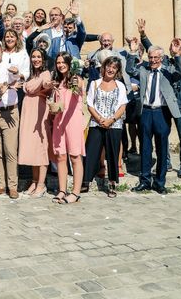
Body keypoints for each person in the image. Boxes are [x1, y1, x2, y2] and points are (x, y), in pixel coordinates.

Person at [138, 21, 181, 178]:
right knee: (163, 134)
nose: (173, 47)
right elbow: (152, 50)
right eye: (172, 45)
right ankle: (167, 162)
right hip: (165, 104)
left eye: (177, 45)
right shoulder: (165, 61)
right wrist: (143, 35)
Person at [126, 40, 181, 194]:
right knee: (145, 146)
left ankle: (159, 182)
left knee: (162, 148)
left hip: (162, 113)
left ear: (161, 58)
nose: (152, 60)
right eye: (150, 57)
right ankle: (145, 180)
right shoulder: (144, 70)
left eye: (155, 58)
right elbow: (130, 70)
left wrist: (177, 55)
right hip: (145, 112)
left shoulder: (168, 71)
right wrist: (132, 52)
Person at [83, 56, 129, 198]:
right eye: (109, 66)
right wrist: (99, 119)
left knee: (113, 154)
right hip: (96, 123)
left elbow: (123, 105)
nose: (111, 69)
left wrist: (111, 120)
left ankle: (112, 182)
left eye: (114, 67)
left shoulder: (120, 85)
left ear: (117, 71)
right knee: (91, 152)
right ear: (104, 67)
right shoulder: (95, 83)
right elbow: (90, 104)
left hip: (114, 124)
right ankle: (86, 181)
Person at [0, 41, 22, 199]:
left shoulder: (9, 67)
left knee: (10, 150)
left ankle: (12, 186)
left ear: (2, 53)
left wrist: (16, 73)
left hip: (9, 113)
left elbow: (17, 75)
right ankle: (1, 184)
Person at [18, 49, 53, 198]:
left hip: (39, 112)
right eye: (33, 57)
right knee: (32, 147)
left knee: (40, 147)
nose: (36, 59)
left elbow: (46, 84)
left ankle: (41, 184)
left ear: (43, 59)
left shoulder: (45, 74)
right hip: (28, 112)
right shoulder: (33, 74)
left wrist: (47, 84)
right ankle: (34, 180)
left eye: (39, 57)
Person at [51, 52, 85, 204]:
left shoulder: (76, 79)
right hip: (59, 120)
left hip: (73, 120)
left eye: (63, 62)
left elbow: (78, 88)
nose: (60, 65)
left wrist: (76, 77)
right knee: (61, 156)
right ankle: (62, 190)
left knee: (75, 156)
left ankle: (76, 192)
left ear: (70, 63)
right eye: (58, 62)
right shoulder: (57, 81)